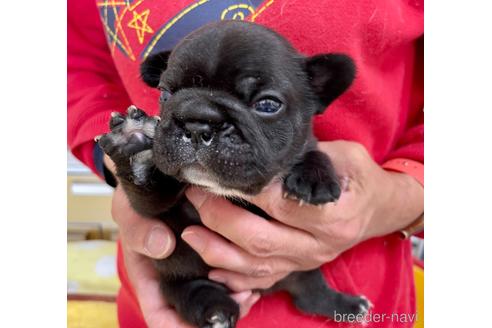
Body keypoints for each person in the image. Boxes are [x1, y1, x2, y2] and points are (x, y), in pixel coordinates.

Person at [68, 0, 424, 327]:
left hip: (356, 270)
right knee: (182, 280)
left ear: (319, 90)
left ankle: (321, 298)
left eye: (264, 104)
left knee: (313, 283)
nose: (201, 129)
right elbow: (69, 53)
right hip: (167, 278)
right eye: (170, 94)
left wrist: (404, 191)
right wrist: (118, 156)